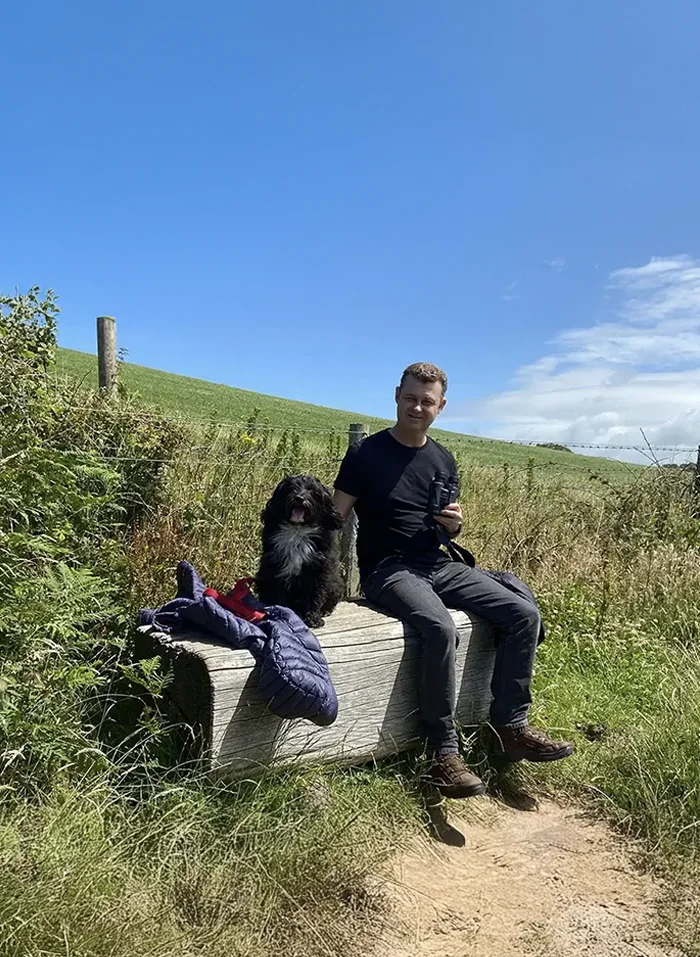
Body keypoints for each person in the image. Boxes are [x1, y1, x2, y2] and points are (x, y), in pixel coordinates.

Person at [332, 361, 573, 798]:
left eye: (427, 401)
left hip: (439, 563)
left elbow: (448, 526)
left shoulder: (443, 459)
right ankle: (442, 754)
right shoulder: (365, 454)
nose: (417, 407)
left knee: (522, 613)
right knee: (440, 627)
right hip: (388, 570)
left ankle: (509, 728)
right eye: (410, 398)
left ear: (441, 406)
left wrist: (454, 526)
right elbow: (334, 519)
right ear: (396, 396)